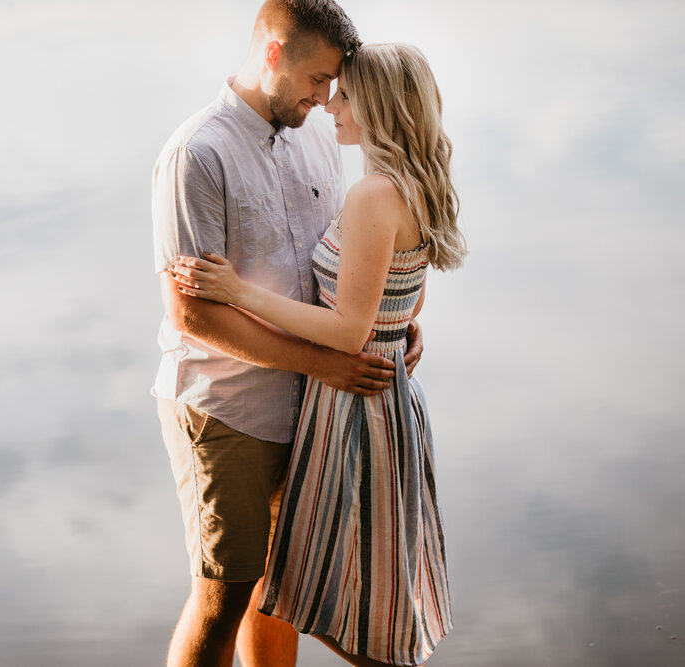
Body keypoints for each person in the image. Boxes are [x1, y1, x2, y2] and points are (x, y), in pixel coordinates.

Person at [170, 43, 465, 666]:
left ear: (379, 107)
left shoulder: (373, 196)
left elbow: (348, 331)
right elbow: (398, 301)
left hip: (356, 411)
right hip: (376, 401)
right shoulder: (411, 183)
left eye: (346, 94)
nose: (331, 103)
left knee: (336, 598)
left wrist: (236, 289)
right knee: (343, 589)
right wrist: (402, 330)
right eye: (329, 87)